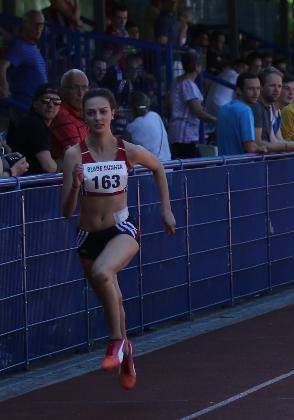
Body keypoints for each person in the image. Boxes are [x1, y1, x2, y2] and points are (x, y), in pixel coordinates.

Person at [59, 88, 177, 390]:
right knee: (110, 294)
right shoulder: (74, 155)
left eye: (102, 111)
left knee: (103, 272)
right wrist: (74, 185)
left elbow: (158, 167)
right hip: (88, 234)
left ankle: (114, 343)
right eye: (91, 112)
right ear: (83, 116)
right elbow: (65, 212)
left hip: (122, 228)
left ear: (113, 113)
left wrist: (165, 209)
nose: (97, 117)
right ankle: (127, 354)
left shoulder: (127, 149)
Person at [169, 53, 218, 159]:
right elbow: (198, 111)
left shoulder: (176, 81)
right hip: (184, 135)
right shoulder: (188, 84)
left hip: (175, 132)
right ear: (197, 67)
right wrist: (217, 120)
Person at [8, 85, 62, 172]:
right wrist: (67, 155)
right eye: (46, 100)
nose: (51, 105)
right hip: (27, 183)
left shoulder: (38, 123)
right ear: (35, 104)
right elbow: (49, 167)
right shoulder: (34, 124)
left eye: (56, 101)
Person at [125, 92, 170, 161]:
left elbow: (126, 154)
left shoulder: (130, 128)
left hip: (148, 170)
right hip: (169, 166)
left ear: (131, 108)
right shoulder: (155, 116)